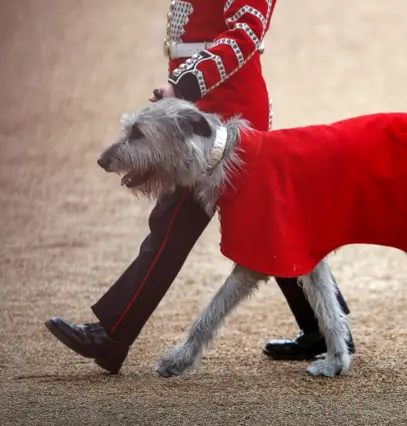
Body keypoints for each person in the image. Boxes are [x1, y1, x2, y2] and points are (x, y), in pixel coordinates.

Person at [45, 0, 355, 375]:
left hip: (221, 114)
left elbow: (245, 33)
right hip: (194, 105)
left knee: (173, 225)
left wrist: (183, 83)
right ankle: (321, 328)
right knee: (270, 224)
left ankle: (112, 335)